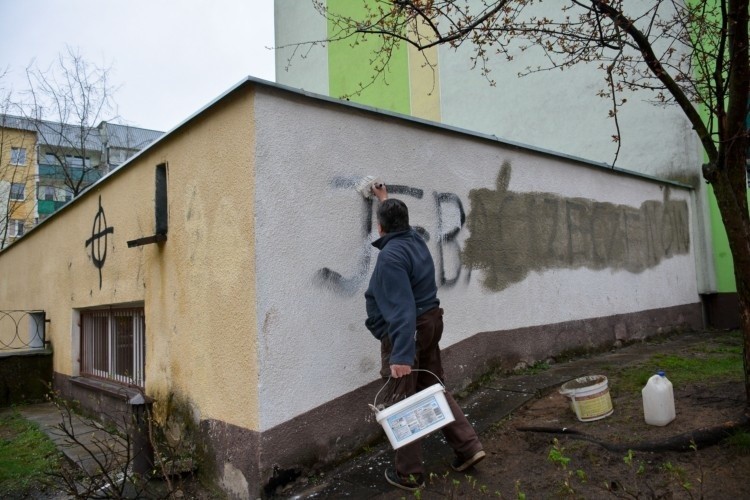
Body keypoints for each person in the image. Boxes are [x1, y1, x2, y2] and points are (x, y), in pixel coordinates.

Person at [364, 183, 485, 492]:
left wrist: (401, 357)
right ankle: (469, 447)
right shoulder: (414, 239)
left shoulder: (390, 257)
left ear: (380, 228)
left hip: (408, 333)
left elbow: (402, 310)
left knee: (402, 399)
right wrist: (384, 199)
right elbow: (394, 222)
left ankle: (409, 473)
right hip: (429, 325)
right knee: (431, 387)